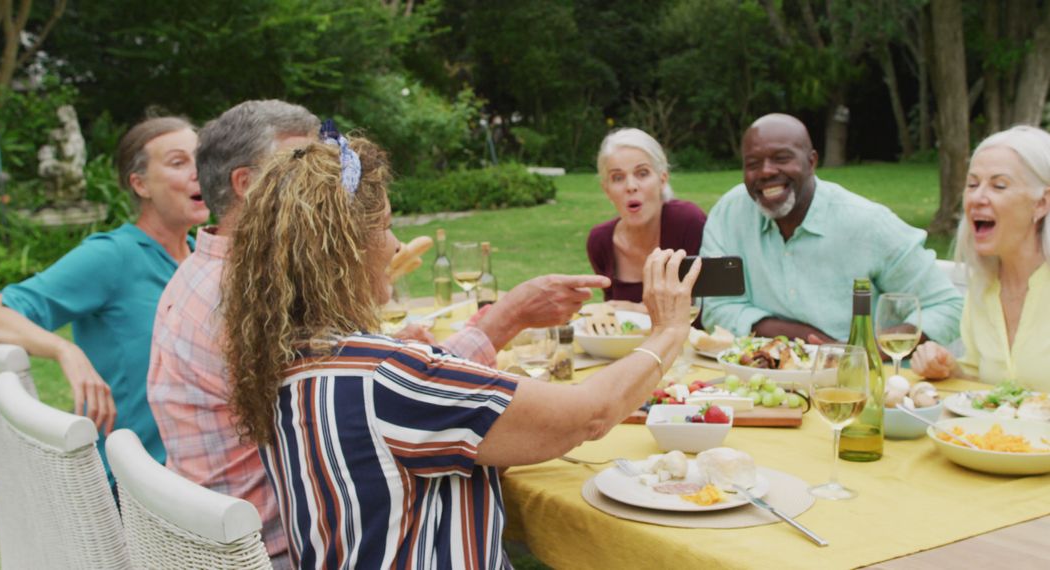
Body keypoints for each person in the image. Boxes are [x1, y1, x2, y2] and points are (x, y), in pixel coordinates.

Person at [146, 100, 610, 568]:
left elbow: (377, 392)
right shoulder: (242, 296)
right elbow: (388, 395)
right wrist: (499, 322)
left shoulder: (210, 275)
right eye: (300, 166)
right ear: (248, 186)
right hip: (285, 550)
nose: (321, 179)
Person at [221, 138, 701, 569]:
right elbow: (588, 416)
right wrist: (668, 328)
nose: (395, 244)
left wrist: (508, 317)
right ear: (343, 250)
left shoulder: (287, 359)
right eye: (385, 226)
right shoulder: (385, 377)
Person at [0, 116, 208, 480]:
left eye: (201, 158)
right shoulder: (112, 256)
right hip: (143, 488)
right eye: (179, 162)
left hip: (205, 471)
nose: (199, 172)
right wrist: (67, 351)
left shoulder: (201, 259)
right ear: (139, 184)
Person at [700, 113, 963, 344]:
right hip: (753, 379)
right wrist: (799, 337)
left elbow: (947, 307)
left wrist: (863, 351)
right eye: (753, 164)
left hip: (856, 386)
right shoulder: (729, 213)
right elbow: (715, 308)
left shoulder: (867, 224)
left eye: (781, 158)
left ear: (812, 162)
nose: (766, 172)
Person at [911, 126, 1050, 390]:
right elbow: (981, 386)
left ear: (1041, 203)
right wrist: (949, 369)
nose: (977, 197)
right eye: (972, 184)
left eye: (999, 185)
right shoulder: (983, 285)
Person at [587, 128, 707, 303]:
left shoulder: (688, 223)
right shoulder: (600, 241)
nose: (631, 186)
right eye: (618, 177)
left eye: (642, 173)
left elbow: (703, 308)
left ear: (662, 180)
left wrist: (631, 310)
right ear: (607, 190)